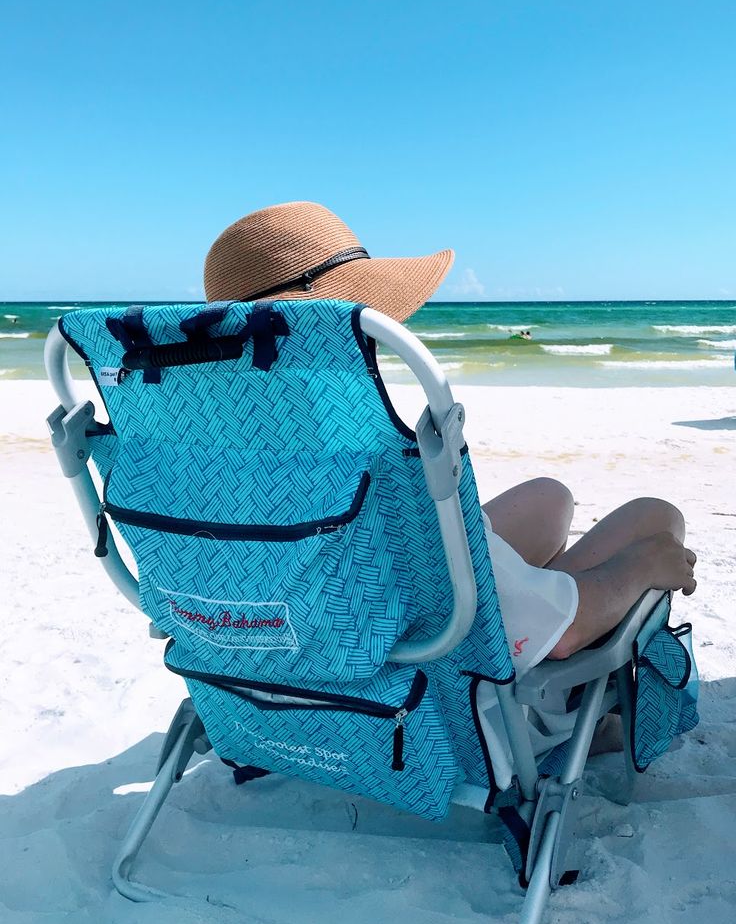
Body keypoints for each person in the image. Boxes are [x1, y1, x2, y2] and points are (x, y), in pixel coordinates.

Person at [203, 201, 697, 676]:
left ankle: (536, 583)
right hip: (420, 683)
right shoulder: (364, 472)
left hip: (285, 653)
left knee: (550, 497)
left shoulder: (194, 462)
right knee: (656, 517)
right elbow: (560, 634)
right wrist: (638, 565)